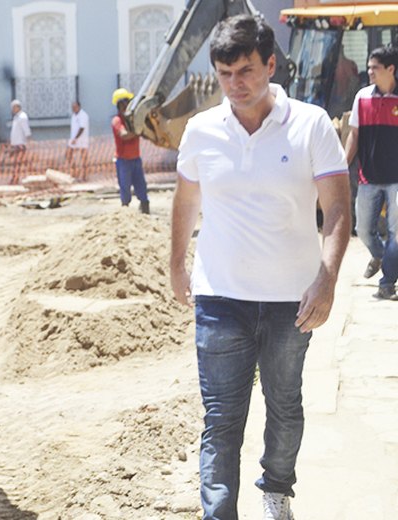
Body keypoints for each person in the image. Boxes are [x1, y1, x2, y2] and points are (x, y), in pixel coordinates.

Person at [170, 15, 350, 520]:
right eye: (225, 74)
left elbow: (337, 206)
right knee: (221, 419)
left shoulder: (311, 123)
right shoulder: (201, 131)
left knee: (285, 406)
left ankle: (276, 488)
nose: (236, 85)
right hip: (220, 297)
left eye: (246, 71)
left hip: (291, 301)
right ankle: (219, 513)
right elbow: (185, 202)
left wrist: (327, 279)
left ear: (272, 64)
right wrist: (176, 264)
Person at [344, 44, 398, 300]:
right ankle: (380, 256)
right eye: (368, 67)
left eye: (374, 68)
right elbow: (354, 135)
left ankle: (387, 282)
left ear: (391, 69)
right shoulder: (361, 97)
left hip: (396, 180)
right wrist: (343, 165)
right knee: (363, 229)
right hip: (368, 177)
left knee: (396, 233)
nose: (369, 72)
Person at [111, 88, 150, 214]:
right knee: (125, 189)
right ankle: (125, 214)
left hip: (135, 159)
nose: (129, 104)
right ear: (121, 104)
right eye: (127, 102)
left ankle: (145, 211)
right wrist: (137, 132)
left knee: (141, 188)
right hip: (124, 161)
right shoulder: (117, 121)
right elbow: (124, 135)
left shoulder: (131, 119)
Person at [8, 99, 31, 183]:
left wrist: (28, 140)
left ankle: (20, 177)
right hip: (15, 143)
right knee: (15, 162)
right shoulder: (16, 117)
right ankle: (15, 177)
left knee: (19, 162)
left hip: (21, 143)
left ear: (18, 107)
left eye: (14, 107)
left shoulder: (22, 117)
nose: (13, 109)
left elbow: (26, 130)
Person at [65, 101, 89, 177]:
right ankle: (74, 171)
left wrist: (76, 138)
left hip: (82, 140)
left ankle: (84, 175)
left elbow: (82, 128)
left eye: (75, 107)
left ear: (79, 107)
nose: (73, 109)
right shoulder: (74, 116)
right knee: (68, 154)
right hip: (73, 140)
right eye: (72, 107)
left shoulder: (83, 115)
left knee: (83, 158)